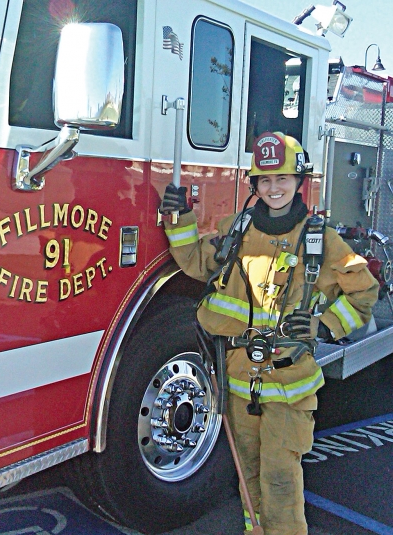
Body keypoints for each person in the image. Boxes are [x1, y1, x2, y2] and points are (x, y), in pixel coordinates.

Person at [159, 131, 379, 535]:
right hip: (242, 382)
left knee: (280, 482)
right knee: (248, 479)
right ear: (255, 186)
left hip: (291, 385)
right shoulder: (238, 230)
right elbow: (197, 261)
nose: (273, 188)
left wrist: (325, 325)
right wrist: (179, 219)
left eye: (282, 178)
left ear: (299, 182)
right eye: (265, 180)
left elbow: (364, 291)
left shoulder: (321, 240)